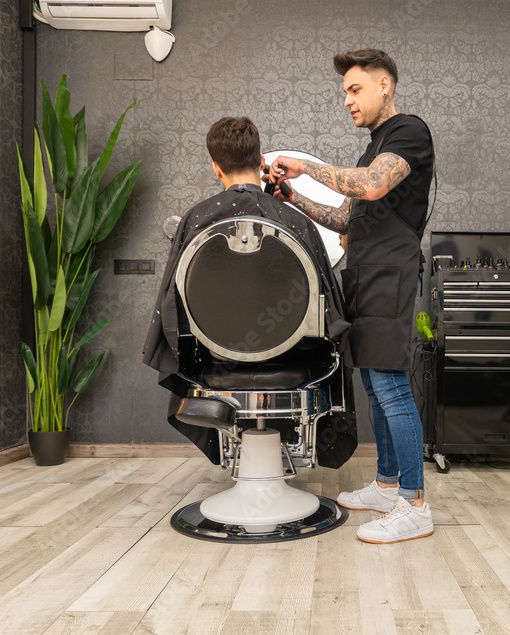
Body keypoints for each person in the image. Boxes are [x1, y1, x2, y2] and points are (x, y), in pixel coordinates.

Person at [266, 48, 436, 544]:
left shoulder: (409, 132)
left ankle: (415, 503)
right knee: (376, 387)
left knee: (391, 386)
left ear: (385, 84)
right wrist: (290, 198)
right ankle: (387, 484)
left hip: (390, 273)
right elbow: (346, 218)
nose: (347, 100)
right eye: (345, 92)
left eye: (355, 89)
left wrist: (303, 166)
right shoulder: (373, 145)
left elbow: (372, 185)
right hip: (363, 273)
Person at [142, 116, 356, 469]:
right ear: (261, 163)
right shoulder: (295, 222)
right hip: (294, 360)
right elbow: (331, 318)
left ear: (216, 168)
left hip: (219, 362)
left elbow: (171, 310)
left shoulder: (195, 222)